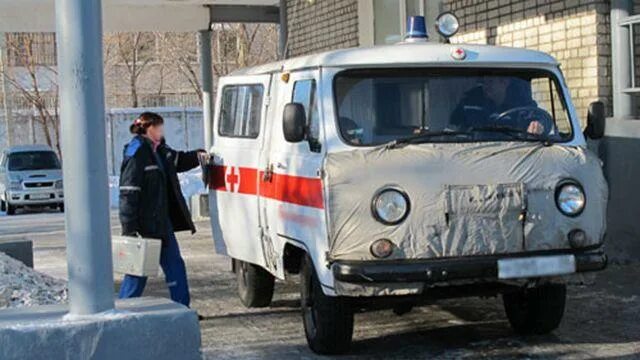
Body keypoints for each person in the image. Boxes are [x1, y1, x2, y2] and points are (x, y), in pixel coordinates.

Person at [118, 112, 205, 307]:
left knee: (175, 266)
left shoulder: (160, 150)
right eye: (159, 127)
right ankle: (124, 307)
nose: (162, 131)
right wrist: (130, 228)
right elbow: (128, 192)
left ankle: (182, 309)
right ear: (149, 128)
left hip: (161, 222)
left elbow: (178, 160)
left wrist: (199, 155)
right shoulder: (137, 153)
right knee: (138, 271)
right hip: (145, 225)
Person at [451, 76, 546, 135]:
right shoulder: (469, 103)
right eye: (484, 83)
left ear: (504, 82)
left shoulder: (522, 104)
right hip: (476, 151)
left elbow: (540, 119)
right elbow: (453, 126)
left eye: (490, 82)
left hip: (516, 150)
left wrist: (537, 125)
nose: (485, 87)